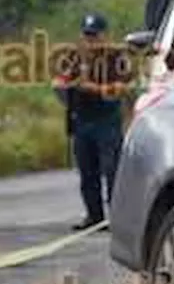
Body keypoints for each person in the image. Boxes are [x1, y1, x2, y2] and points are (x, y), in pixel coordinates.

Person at [52, 12, 132, 231]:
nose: (90, 40)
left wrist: (94, 88)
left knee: (112, 170)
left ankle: (118, 218)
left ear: (105, 35)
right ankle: (94, 217)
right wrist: (83, 87)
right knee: (87, 172)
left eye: (95, 35)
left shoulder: (116, 57)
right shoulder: (74, 56)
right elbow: (61, 83)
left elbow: (122, 88)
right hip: (82, 121)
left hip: (107, 121)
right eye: (87, 35)